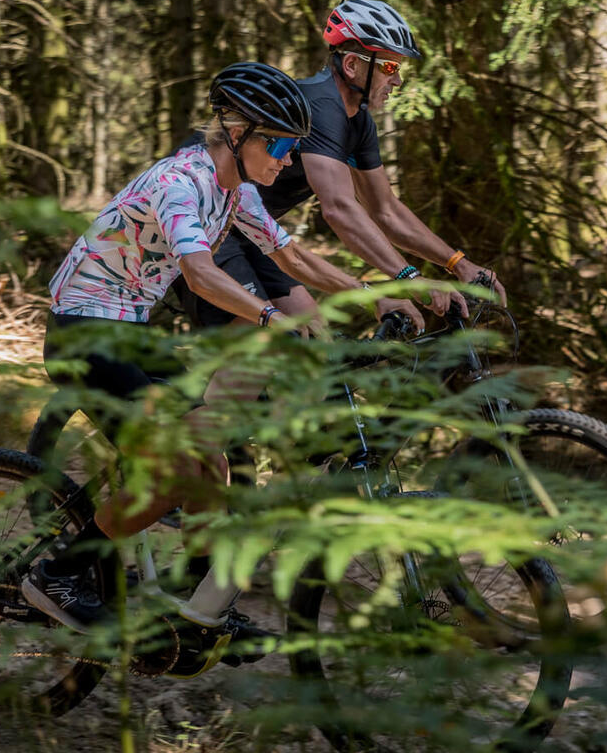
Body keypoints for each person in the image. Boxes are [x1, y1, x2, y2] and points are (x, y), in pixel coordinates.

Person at [22, 61, 421, 639]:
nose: (287, 161)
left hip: (127, 328)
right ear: (240, 134)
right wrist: (267, 317)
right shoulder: (179, 183)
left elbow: (292, 259)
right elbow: (202, 275)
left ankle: (198, 608)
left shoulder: (237, 191)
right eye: (281, 145)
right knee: (182, 467)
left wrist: (375, 296)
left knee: (212, 454)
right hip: (83, 331)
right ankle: (56, 575)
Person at [180, 0, 508, 331]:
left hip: (252, 230)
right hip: (202, 224)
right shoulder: (321, 106)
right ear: (352, 65)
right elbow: (338, 207)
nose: (397, 81)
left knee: (315, 333)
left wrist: (458, 264)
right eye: (390, 68)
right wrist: (408, 277)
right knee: (257, 341)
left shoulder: (358, 121)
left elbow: (386, 210)